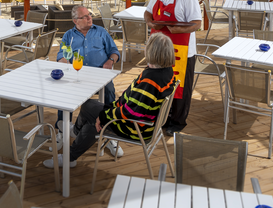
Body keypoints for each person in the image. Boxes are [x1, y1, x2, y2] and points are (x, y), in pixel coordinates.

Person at [43, 33, 176, 169]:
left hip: (135, 127)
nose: (145, 47)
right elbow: (132, 102)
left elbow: (131, 112)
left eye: (148, 45)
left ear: (153, 52)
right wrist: (110, 109)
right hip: (145, 124)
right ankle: (72, 148)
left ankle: (71, 148)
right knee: (91, 112)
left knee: (91, 115)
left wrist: (104, 116)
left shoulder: (150, 80)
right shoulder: (166, 72)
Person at [144, 0, 202, 136]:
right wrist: (150, 22)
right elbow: (148, 12)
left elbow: (197, 24)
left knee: (179, 87)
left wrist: (178, 30)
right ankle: (160, 118)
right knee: (158, 84)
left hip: (181, 50)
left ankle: (177, 122)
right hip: (158, 49)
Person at [57, 5, 122, 156]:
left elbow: (114, 51)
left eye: (89, 15)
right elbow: (61, 55)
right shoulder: (68, 36)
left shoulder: (101, 32)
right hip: (77, 74)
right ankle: (62, 130)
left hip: (100, 75)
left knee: (110, 91)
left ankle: (109, 133)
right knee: (61, 93)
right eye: (85, 16)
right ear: (75, 21)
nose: (89, 18)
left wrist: (111, 61)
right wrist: (64, 62)